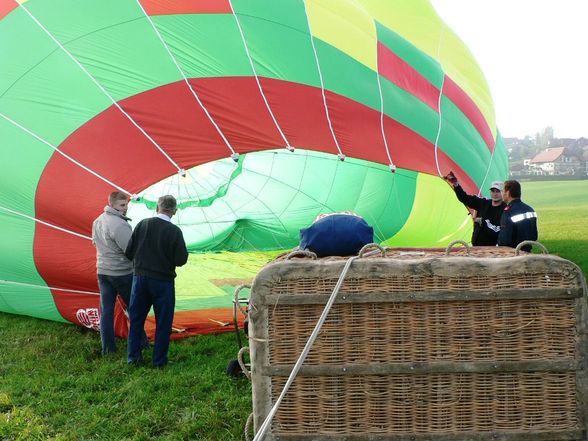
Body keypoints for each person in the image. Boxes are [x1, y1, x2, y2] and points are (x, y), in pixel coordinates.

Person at [125, 195, 188, 368]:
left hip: (140, 279)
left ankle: (133, 358)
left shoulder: (142, 224)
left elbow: (129, 252)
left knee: (136, 319)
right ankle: (159, 361)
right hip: (163, 282)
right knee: (163, 322)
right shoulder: (174, 232)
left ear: (157, 208)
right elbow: (181, 259)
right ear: (174, 211)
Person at [92, 191, 148, 355]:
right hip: (121, 273)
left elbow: (95, 243)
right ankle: (142, 343)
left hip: (102, 271)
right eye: (122, 205)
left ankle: (108, 350)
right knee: (134, 308)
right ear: (112, 204)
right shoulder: (119, 224)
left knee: (106, 312)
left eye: (126, 205)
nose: (125, 208)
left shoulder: (97, 221)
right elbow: (130, 251)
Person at [443, 172, 506, 246]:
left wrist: (482, 222)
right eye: (493, 191)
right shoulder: (483, 203)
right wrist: (456, 184)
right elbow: (464, 198)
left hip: (491, 249)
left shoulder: (505, 210)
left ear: (503, 193)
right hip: (476, 246)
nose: (495, 194)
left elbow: (498, 231)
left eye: (498, 191)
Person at [498, 180, 538, 252]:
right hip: (527, 252)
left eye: (502, 191)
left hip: (513, 254)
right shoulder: (530, 210)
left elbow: (505, 239)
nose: (502, 194)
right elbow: (534, 236)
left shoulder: (508, 211)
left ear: (508, 193)